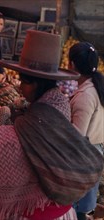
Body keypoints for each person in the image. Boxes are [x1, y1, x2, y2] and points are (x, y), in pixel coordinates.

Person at [0, 30, 103, 219]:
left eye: (23, 82)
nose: (20, 87)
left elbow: (6, 148)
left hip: (37, 214)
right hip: (62, 213)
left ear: (34, 84)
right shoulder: (58, 106)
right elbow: (32, 143)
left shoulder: (39, 119)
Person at [68, 42, 104, 219]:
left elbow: (77, 136)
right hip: (94, 153)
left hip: (83, 158)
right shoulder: (96, 88)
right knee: (82, 209)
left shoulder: (86, 96)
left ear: (72, 65)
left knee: (77, 209)